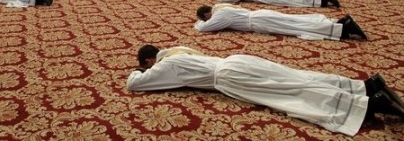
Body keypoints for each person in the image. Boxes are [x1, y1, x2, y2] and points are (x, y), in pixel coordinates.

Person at [127, 45, 404, 137]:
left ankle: (366, 105)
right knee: (294, 77)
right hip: (237, 60)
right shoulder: (179, 49)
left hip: (229, 77)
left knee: (289, 93)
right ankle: (363, 86)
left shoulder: (166, 64)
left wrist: (138, 72)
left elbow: (135, 84)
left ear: (150, 61)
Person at [194, 4, 364, 40]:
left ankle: (340, 29)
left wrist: (198, 23)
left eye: (205, 17)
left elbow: (205, 28)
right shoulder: (222, 8)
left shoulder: (219, 15)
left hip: (259, 22)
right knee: (295, 21)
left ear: (207, 14)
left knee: (294, 27)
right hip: (261, 15)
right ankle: (337, 22)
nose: (208, 19)